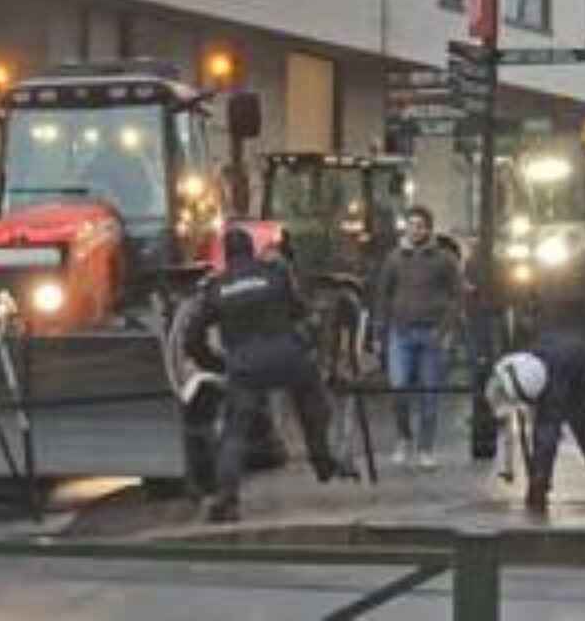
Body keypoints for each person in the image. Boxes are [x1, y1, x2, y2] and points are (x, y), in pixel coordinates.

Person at [183, 227, 344, 523]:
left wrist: (215, 363)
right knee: (314, 406)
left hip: (245, 366)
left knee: (235, 433)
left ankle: (227, 500)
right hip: (288, 357)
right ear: (252, 250)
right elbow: (300, 310)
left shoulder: (216, 287)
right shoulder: (275, 274)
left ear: (226, 255)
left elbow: (192, 337)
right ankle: (322, 461)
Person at [372, 205, 462, 468]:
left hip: (432, 333)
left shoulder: (445, 260)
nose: (415, 230)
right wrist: (378, 332)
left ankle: (426, 448)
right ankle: (403, 438)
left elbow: (457, 296)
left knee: (430, 394)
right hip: (400, 332)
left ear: (428, 228)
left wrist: (446, 330)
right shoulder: (394, 259)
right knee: (398, 388)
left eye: (420, 225)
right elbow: (382, 295)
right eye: (411, 225)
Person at [487, 337, 585, 512]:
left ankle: (542, 479)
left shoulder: (551, 383)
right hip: (566, 352)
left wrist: (538, 478)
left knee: (560, 421)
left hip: (580, 362)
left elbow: (548, 432)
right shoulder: (525, 366)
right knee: (571, 416)